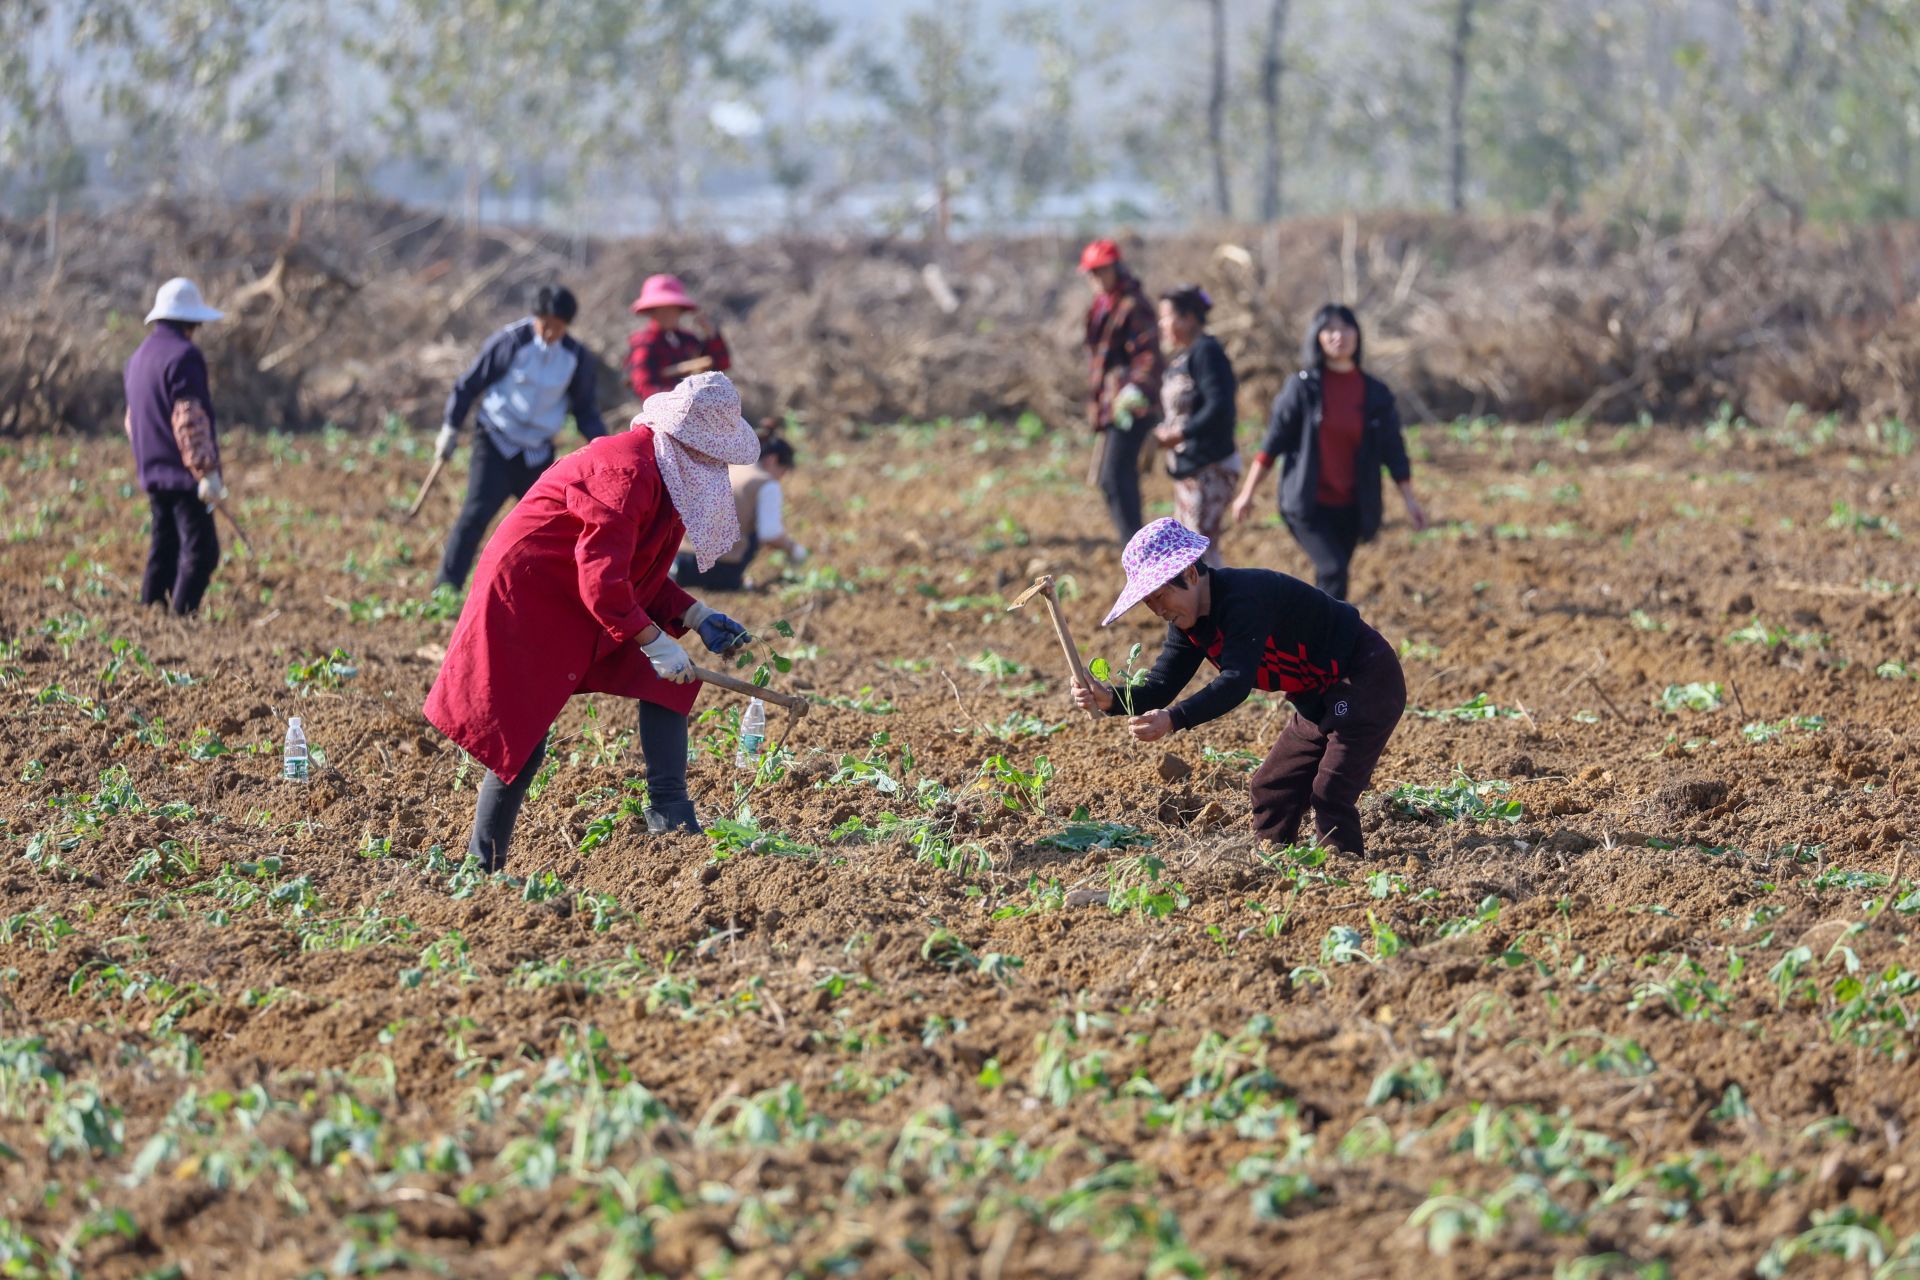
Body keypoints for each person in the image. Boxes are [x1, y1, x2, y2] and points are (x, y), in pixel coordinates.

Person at [423, 372, 761, 870]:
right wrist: (655, 642)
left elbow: (635, 573)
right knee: (524, 729)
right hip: (531, 595)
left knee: (664, 681)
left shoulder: (663, 472)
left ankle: (669, 814)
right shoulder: (625, 473)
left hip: (579, 590)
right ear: (691, 444)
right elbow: (603, 584)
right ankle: (482, 865)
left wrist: (693, 613)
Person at [1072, 518, 1406, 857]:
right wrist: (1111, 700)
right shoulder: (1188, 624)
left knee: (1330, 791)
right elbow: (1161, 685)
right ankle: (1274, 866)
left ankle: (1343, 872)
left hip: (1364, 679)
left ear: (1190, 574)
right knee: (1271, 787)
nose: (1158, 610)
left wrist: (1174, 719)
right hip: (1316, 697)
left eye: (1160, 596)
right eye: (1148, 602)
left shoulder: (1243, 598)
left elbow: (1235, 682)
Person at [1230, 303, 1427, 600]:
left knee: (1334, 577)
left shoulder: (1375, 393)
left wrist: (1410, 501)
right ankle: (1325, 639)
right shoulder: (1302, 388)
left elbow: (1393, 450)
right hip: (1308, 503)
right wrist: (1247, 493)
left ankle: (1315, 639)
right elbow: (1273, 443)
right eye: (1330, 329)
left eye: (1346, 328)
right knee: (1333, 569)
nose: (1339, 336)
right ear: (1317, 337)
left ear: (1357, 335)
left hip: (1352, 505)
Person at [433, 285, 608, 591]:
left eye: (558, 326)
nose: (550, 332)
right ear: (535, 317)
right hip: (496, 442)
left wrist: (604, 449)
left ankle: (538, 595)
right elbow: (469, 385)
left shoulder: (575, 358)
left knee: (546, 528)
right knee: (475, 515)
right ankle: (446, 589)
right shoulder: (510, 341)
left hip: (537, 454)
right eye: (545, 323)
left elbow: (585, 409)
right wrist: (450, 428)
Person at [123, 277, 228, 615]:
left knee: (164, 546)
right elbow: (188, 417)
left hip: (152, 470)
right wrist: (206, 471)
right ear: (192, 321)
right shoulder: (184, 356)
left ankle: (149, 613)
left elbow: (131, 420)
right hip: (182, 476)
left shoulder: (138, 357)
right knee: (202, 551)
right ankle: (179, 619)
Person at [1079, 238, 1163, 542]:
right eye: (1091, 273)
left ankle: (1137, 549)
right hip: (1111, 405)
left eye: (1100, 271)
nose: (1095, 279)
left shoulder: (1133, 305)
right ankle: (1132, 548)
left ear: (1116, 268)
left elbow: (1148, 355)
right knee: (1110, 480)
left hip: (1131, 406)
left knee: (1116, 477)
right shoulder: (1102, 306)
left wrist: (1135, 389)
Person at [1152, 284, 1240, 567]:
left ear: (1189, 318)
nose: (1161, 324)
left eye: (1166, 317)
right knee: (1191, 551)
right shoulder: (1185, 356)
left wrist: (1180, 433)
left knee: (1198, 554)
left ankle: (1215, 609)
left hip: (1209, 468)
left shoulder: (1207, 352)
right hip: (1190, 468)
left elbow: (1219, 406)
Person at [673, 433, 806, 590]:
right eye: (782, 472)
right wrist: (793, 549)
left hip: (681, 559)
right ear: (773, 460)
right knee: (754, 531)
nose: (780, 478)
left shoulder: (730, 467)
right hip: (719, 569)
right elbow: (769, 533)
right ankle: (731, 582)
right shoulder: (765, 483)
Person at [627, 274, 732, 403]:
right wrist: (678, 399)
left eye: (671, 309)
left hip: (694, 407)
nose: (667, 315)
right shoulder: (644, 343)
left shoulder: (687, 340)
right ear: (652, 312)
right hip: (663, 413)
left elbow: (720, 364)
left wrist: (712, 335)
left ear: (679, 310)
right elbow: (644, 385)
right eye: (661, 310)